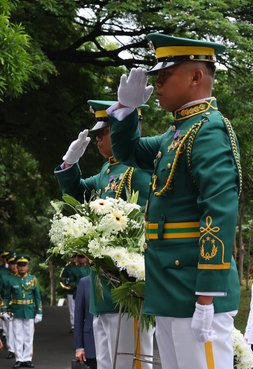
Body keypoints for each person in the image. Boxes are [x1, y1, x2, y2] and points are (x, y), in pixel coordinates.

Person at [107, 33, 242, 369]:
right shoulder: (177, 132)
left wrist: (207, 295)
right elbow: (127, 152)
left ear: (196, 77)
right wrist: (126, 110)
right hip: (169, 285)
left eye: (166, 75)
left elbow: (219, 211)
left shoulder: (209, 129)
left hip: (194, 285)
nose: (159, 83)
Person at [55, 99, 154, 369]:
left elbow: (142, 221)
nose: (98, 140)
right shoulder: (106, 171)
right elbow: (75, 195)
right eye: (96, 135)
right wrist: (69, 163)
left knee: (130, 360)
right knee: (108, 362)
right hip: (104, 288)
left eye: (103, 134)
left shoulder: (137, 170)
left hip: (126, 283)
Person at [1, 255, 42, 368]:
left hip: (29, 310)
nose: (22, 267)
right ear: (17, 266)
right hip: (16, 310)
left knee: (29, 336)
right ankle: (19, 358)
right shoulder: (11, 279)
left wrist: (39, 312)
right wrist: (4, 310)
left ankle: (28, 359)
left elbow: (37, 297)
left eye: (24, 265)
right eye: (20, 265)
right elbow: (6, 297)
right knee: (17, 335)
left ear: (27, 266)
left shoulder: (32, 279)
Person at [73, 276, 96, 369]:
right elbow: (78, 317)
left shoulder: (119, 281)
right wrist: (79, 347)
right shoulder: (85, 282)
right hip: (91, 342)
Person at [59, 255, 78, 332]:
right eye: (72, 257)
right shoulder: (67, 267)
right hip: (71, 290)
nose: (73, 258)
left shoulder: (82, 267)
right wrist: (68, 282)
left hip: (80, 290)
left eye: (75, 257)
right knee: (72, 308)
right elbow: (62, 278)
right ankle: (73, 325)